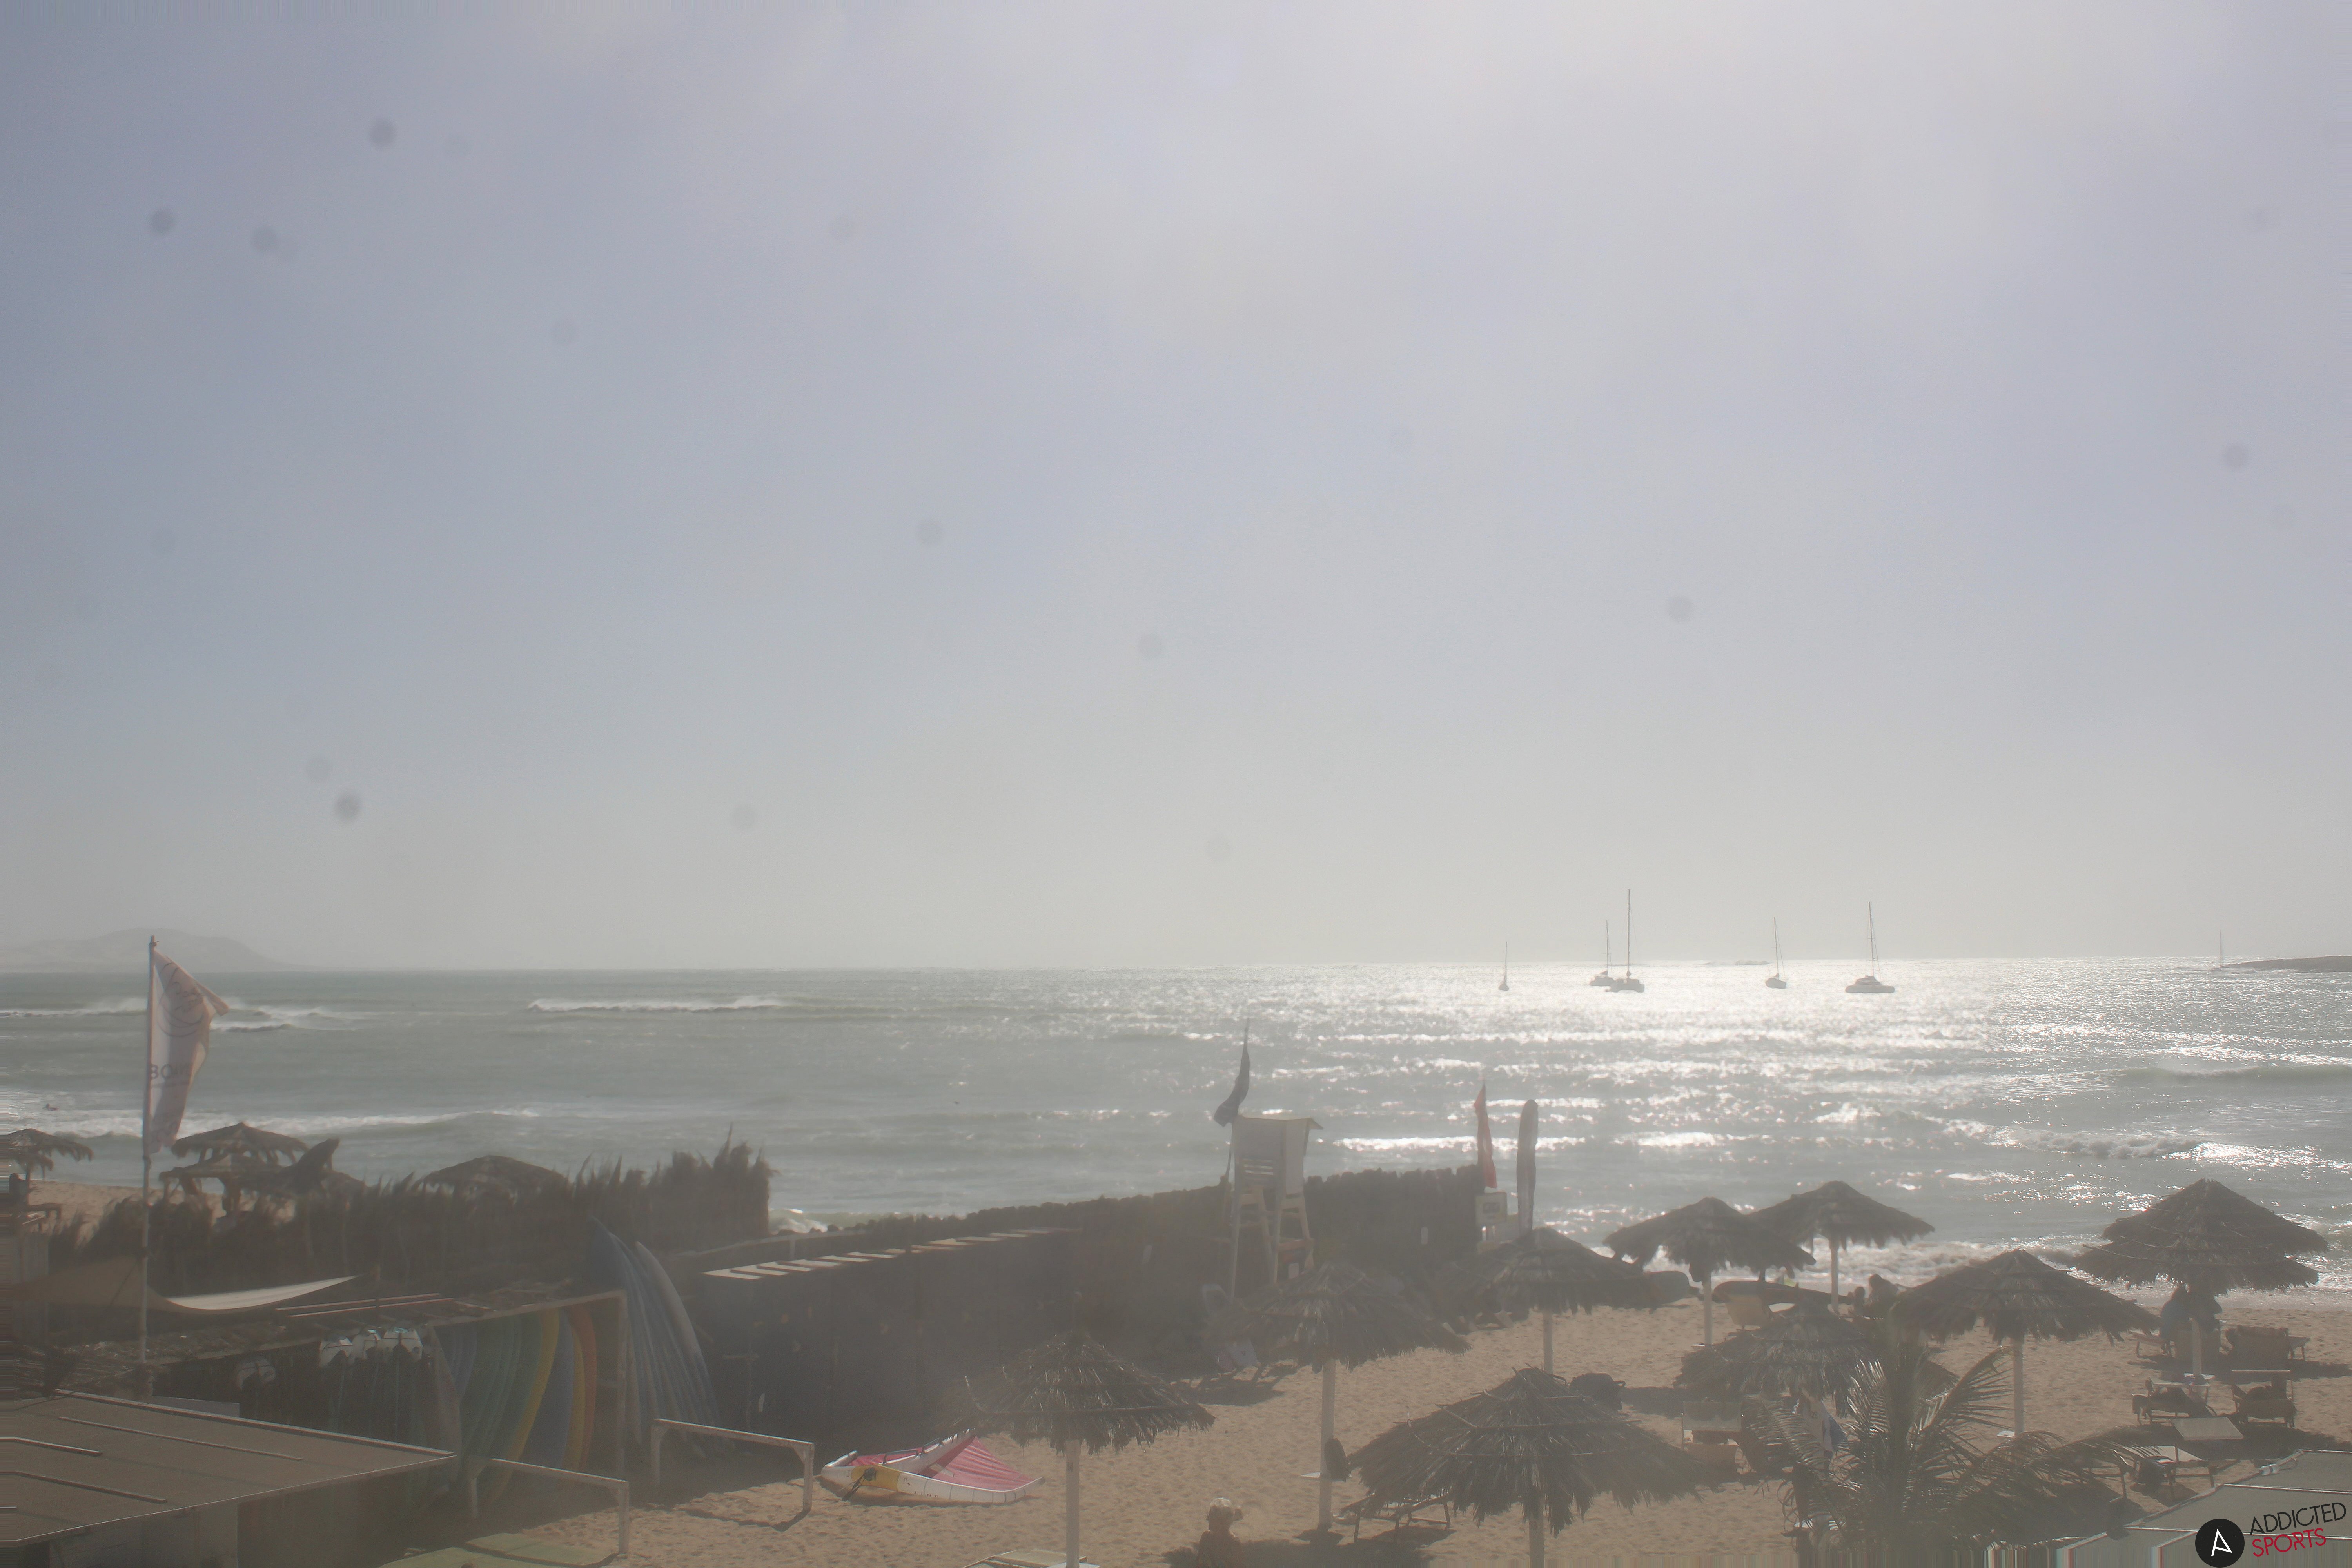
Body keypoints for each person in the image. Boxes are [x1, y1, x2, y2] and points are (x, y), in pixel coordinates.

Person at [1194, 1499, 1246, 1568]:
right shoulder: (1206, 1537)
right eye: (1210, 1517)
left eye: (1213, 1518)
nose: (1209, 1521)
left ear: (1224, 1522)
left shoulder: (1234, 1543)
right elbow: (1199, 1563)